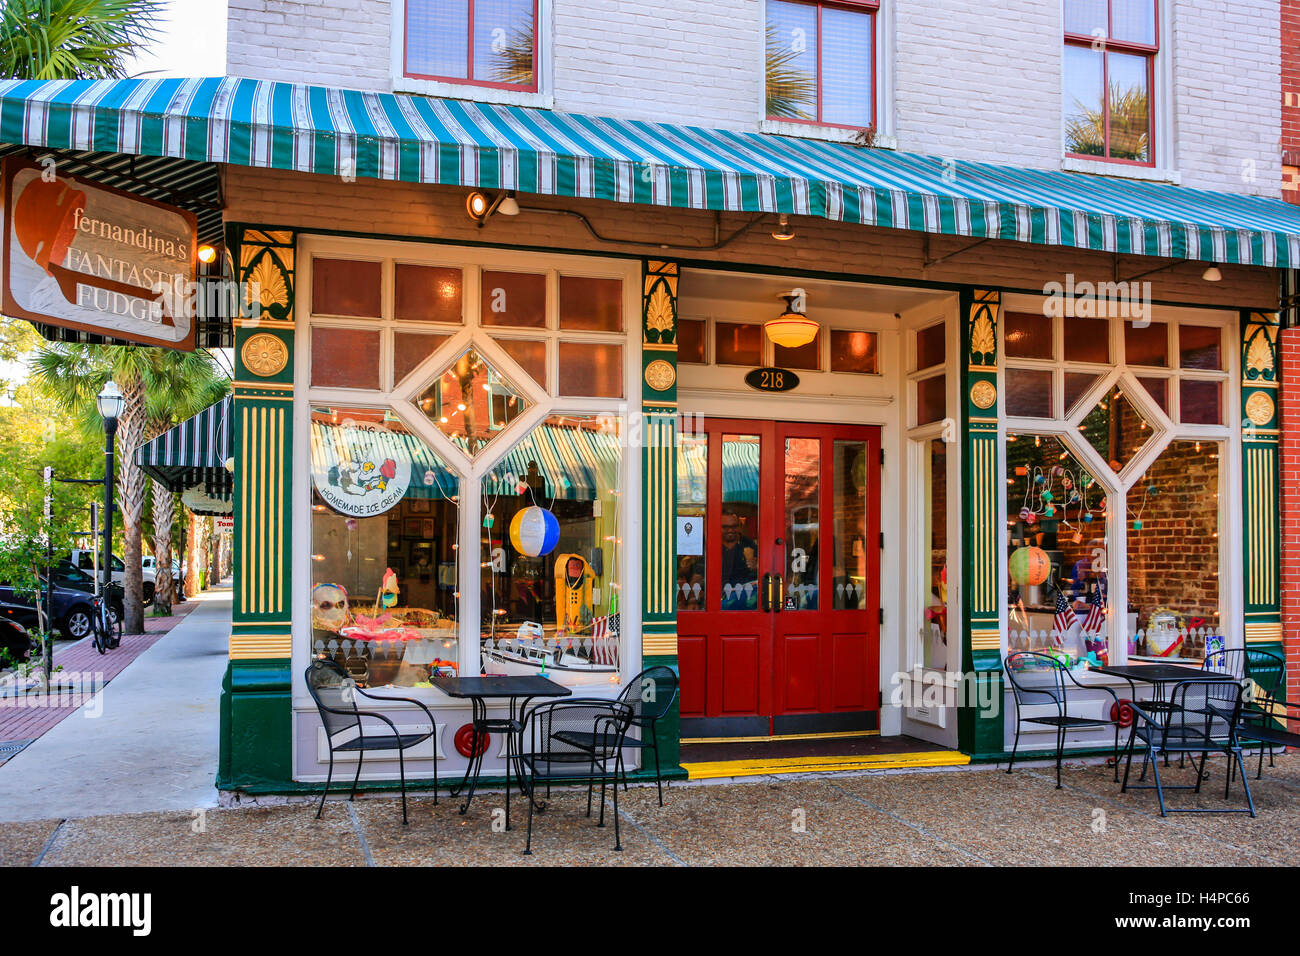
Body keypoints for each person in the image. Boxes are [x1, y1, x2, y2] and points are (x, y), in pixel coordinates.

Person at [719, 509, 759, 609]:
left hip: (742, 598)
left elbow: (763, 574)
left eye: (734, 527)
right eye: (725, 527)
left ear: (739, 526)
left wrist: (756, 567)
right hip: (714, 598)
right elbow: (699, 572)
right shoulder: (711, 544)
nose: (730, 530)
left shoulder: (750, 545)